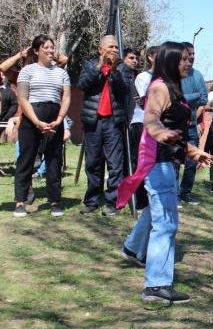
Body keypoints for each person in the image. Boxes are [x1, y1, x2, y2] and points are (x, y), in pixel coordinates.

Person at [117, 41, 213, 304]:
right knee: (166, 224)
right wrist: (161, 133)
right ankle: (156, 286)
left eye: (189, 59)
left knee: (156, 213)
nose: (188, 63)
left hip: (167, 161)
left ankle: (133, 249)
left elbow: (176, 131)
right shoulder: (160, 87)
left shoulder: (174, 87)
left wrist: (195, 152)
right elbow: (151, 119)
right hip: (159, 164)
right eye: (183, 59)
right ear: (170, 61)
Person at [13, 34, 71, 218]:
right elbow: (22, 98)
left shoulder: (61, 72)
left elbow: (67, 96)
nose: (50, 50)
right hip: (32, 118)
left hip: (55, 118)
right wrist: (36, 122)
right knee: (26, 159)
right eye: (45, 47)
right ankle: (20, 202)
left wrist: (61, 118)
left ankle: (54, 201)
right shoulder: (27, 70)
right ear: (37, 51)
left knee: (54, 160)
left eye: (52, 47)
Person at [78, 35, 132, 216]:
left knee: (115, 164)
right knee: (93, 162)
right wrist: (99, 68)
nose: (115, 50)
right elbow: (83, 84)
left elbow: (124, 89)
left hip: (113, 122)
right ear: (100, 49)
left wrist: (114, 71)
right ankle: (92, 200)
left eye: (117, 47)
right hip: (93, 121)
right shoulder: (90, 64)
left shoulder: (122, 68)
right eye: (111, 47)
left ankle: (112, 201)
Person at [176, 42, 208, 206]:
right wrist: (189, 97)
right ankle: (173, 194)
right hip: (175, 123)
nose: (193, 57)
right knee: (174, 159)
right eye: (189, 53)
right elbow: (173, 98)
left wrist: (184, 97)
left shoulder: (198, 75)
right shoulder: (174, 74)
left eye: (194, 53)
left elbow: (204, 99)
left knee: (192, 160)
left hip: (192, 123)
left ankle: (185, 192)